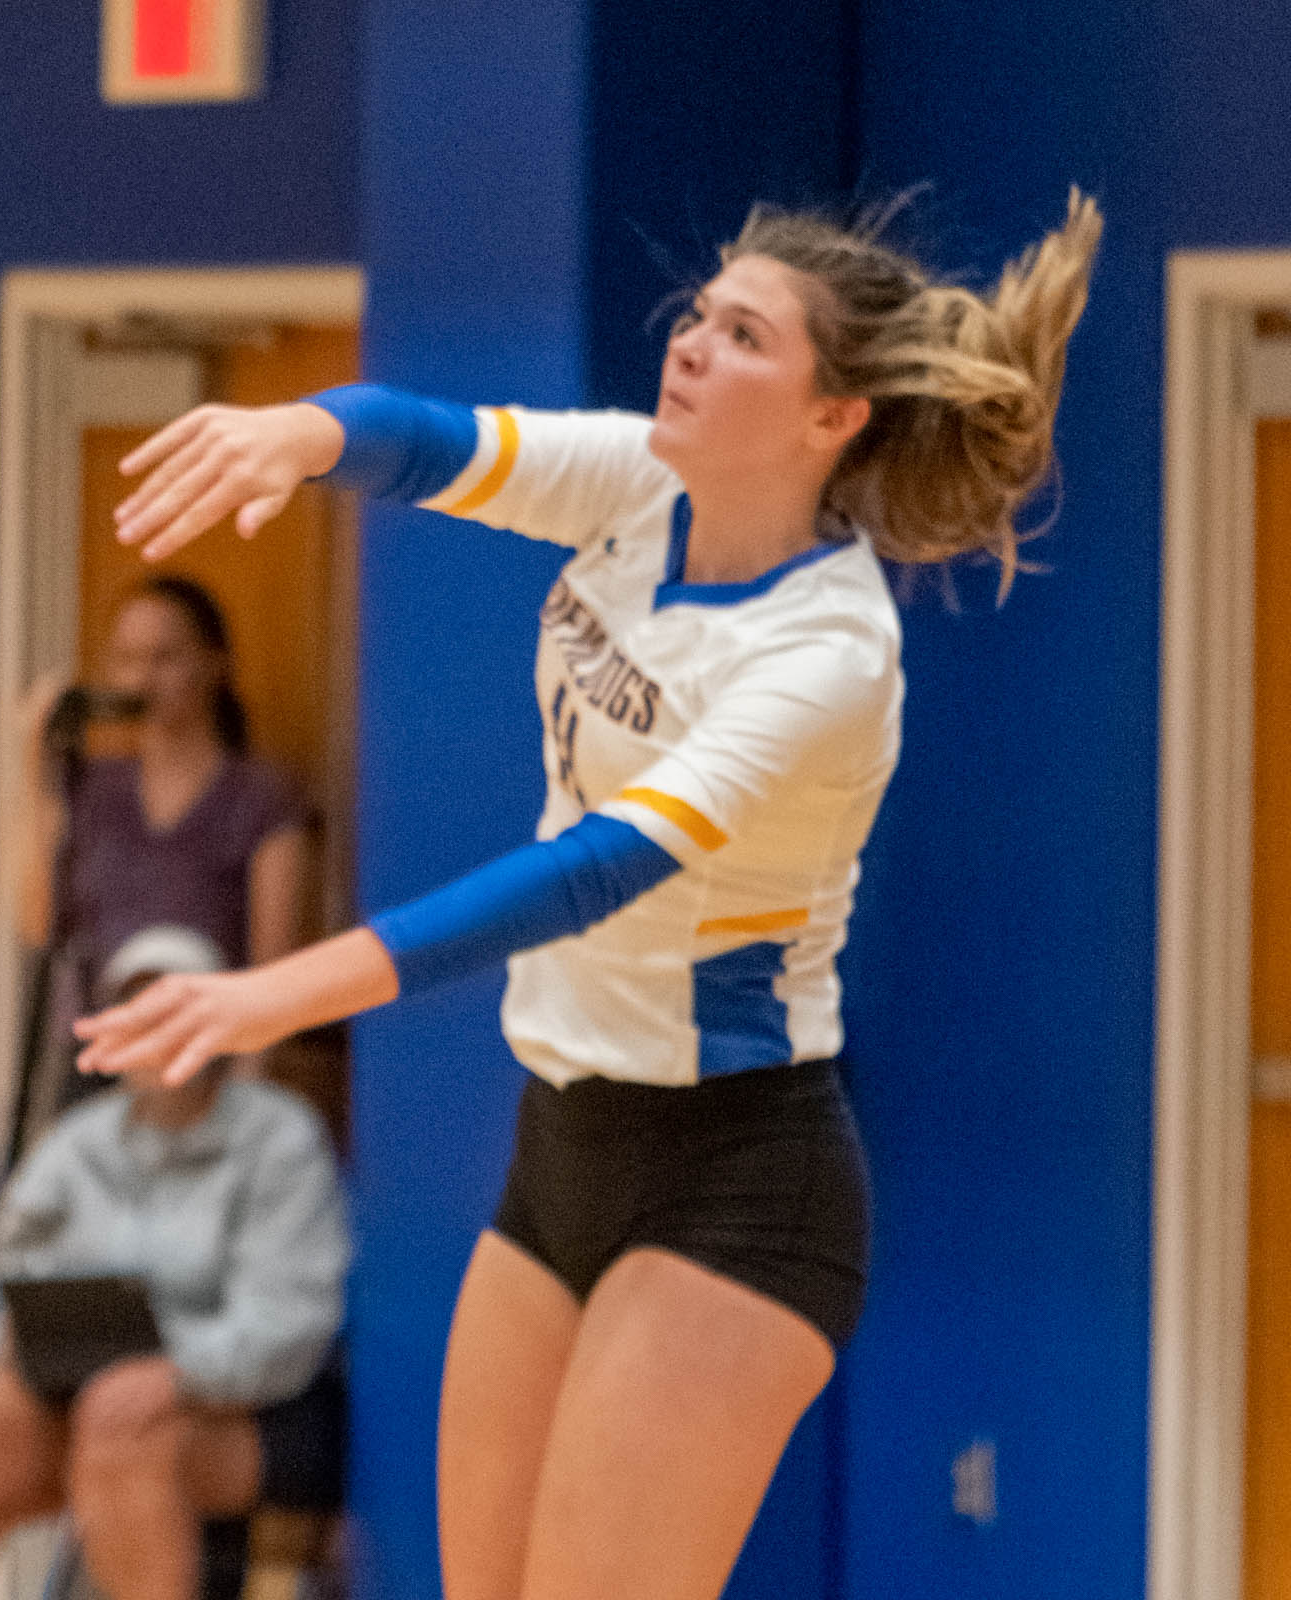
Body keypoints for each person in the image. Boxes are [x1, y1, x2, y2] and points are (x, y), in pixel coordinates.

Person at [73, 191, 1103, 1600]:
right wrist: (294, 433)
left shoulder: (829, 648)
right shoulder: (638, 482)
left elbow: (595, 874)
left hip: (740, 1176)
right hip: (561, 1147)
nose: (690, 341)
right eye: (700, 312)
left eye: (743, 335)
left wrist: (279, 992)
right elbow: (428, 441)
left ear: (832, 416)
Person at [0, 927, 349, 1600]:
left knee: (120, 1424)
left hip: (246, 1409)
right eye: (136, 1011)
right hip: (78, 1398)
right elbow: (4, 1280)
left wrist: (179, 1371)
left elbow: (292, 1323)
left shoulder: (279, 1137)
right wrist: (7, 1348)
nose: (155, 1030)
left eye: (172, 1007)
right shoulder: (72, 1146)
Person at [11, 575, 310, 1133]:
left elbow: (275, 967)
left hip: (206, 1066)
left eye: (165, 657)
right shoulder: (92, 789)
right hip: (97, 1062)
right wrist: (35, 775)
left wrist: (243, 1106)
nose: (144, 678)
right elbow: (37, 927)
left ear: (214, 664)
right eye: (127, 660)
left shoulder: (261, 799)